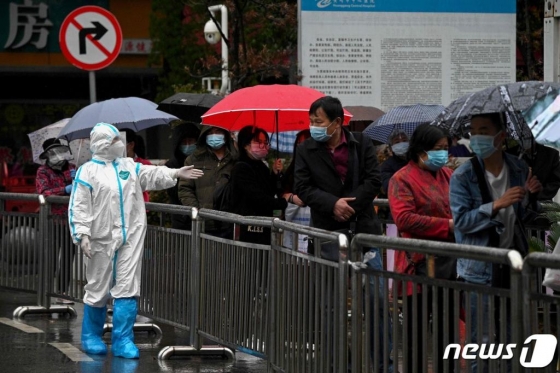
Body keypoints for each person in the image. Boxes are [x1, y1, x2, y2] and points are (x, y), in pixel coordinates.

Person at [68, 122, 203, 358]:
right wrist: (82, 233)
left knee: (128, 286)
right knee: (98, 286)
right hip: (100, 239)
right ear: (100, 144)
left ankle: (123, 340)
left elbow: (151, 174)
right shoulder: (87, 172)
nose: (119, 144)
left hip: (130, 236)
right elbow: (78, 205)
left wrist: (174, 173)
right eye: (113, 141)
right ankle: (91, 336)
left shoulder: (129, 166)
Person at [294, 96, 392, 372]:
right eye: (311, 121)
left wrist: (350, 205)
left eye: (319, 122)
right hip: (327, 232)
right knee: (331, 305)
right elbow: (302, 186)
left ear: (337, 123)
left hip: (364, 231)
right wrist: (332, 204)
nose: (313, 126)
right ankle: (340, 364)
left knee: (376, 301)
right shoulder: (306, 149)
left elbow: (373, 180)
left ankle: (384, 363)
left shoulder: (362, 143)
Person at [449, 113, 542, 373]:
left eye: (484, 130)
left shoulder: (519, 168)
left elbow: (523, 217)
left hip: (513, 264)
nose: (477, 136)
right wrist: (496, 205)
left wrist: (531, 197)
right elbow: (462, 221)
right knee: (482, 342)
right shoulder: (463, 176)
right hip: (479, 268)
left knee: (515, 337)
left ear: (500, 136)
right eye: (473, 130)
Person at [388, 123, 457, 372]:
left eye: (445, 148)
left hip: (448, 264)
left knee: (446, 332)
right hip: (416, 265)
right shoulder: (401, 179)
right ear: (421, 149)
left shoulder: (448, 175)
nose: (443, 153)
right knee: (416, 332)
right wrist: (447, 225)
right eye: (438, 148)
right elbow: (404, 218)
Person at [230, 125, 288, 245]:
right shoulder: (241, 168)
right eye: (258, 141)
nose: (263, 146)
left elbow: (269, 190)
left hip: (264, 226)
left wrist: (275, 174)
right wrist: (282, 202)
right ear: (245, 145)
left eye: (265, 142)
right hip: (247, 228)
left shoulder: (262, 167)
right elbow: (256, 197)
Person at [36, 138, 76, 305]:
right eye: (53, 152)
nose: (58, 155)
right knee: (50, 257)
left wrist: (77, 181)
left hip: (70, 220)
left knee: (68, 257)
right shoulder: (43, 172)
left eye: (60, 150)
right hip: (52, 220)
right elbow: (44, 192)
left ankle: (62, 292)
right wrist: (64, 190)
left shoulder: (73, 168)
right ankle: (46, 292)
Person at [178, 126, 236, 237]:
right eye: (210, 132)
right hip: (203, 224)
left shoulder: (235, 159)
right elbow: (185, 188)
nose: (214, 136)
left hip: (229, 222)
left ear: (225, 134)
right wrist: (196, 211)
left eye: (218, 131)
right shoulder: (194, 159)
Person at [165, 123, 201, 230]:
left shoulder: (203, 162)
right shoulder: (171, 166)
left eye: (191, 141)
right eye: (184, 143)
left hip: (202, 220)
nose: (188, 145)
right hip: (181, 221)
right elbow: (173, 191)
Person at [281, 129, 311, 252]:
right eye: (299, 143)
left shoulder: (321, 168)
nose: (301, 146)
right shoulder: (292, 168)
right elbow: (282, 191)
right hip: (293, 220)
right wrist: (291, 197)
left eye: (305, 142)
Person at [124, 129, 152, 202]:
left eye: (121, 143)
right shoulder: (112, 164)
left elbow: (149, 186)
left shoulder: (144, 164)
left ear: (131, 145)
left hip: (140, 206)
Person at [379, 129, 408, 198]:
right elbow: (388, 186)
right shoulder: (387, 165)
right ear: (391, 147)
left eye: (404, 140)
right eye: (397, 142)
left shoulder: (416, 161)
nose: (401, 144)